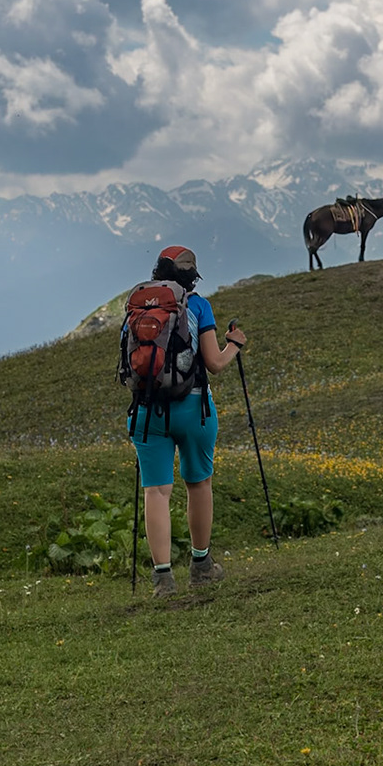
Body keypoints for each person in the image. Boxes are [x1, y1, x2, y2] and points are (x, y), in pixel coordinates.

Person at [128, 245, 248, 596]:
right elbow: (214, 362)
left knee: (156, 491)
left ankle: (162, 578)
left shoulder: (137, 304)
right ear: (192, 275)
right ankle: (201, 565)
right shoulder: (198, 305)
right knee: (198, 484)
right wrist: (234, 345)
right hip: (193, 407)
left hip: (147, 409)